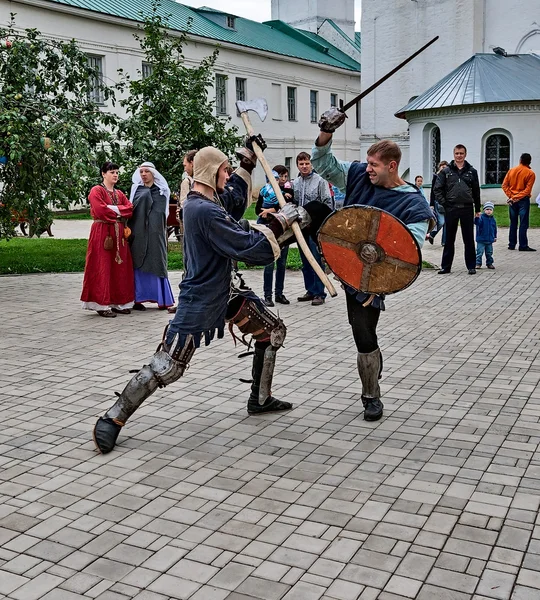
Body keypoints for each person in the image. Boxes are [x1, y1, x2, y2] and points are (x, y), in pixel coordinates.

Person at [93, 139, 302, 454]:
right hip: (202, 295)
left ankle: (260, 399)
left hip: (225, 288)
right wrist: (281, 223)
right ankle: (113, 418)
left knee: (272, 331)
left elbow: (234, 208)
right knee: (168, 366)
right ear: (210, 170)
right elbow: (248, 246)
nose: (227, 174)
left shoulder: (205, 200)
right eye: (224, 169)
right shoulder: (203, 209)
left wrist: (248, 163)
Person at [308, 108, 433, 422]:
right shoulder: (358, 174)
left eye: (375, 165)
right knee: (358, 330)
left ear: (392, 166)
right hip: (348, 265)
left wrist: (373, 285)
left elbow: (408, 254)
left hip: (376, 276)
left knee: (364, 333)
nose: (369, 170)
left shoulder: (413, 204)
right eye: (368, 163)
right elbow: (324, 164)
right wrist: (326, 131)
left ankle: (370, 396)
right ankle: (372, 372)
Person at [81, 162, 134, 318]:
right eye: (112, 172)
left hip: (119, 234)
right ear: (103, 174)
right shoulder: (96, 190)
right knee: (102, 266)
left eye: (117, 172)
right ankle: (101, 303)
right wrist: (118, 212)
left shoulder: (119, 193)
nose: (115, 175)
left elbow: (130, 209)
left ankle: (117, 302)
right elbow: (100, 210)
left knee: (119, 268)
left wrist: (113, 210)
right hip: (103, 232)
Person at [128, 162, 175, 311]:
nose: (143, 174)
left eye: (146, 171)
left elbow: (163, 212)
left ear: (153, 173)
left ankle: (161, 298)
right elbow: (131, 209)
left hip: (156, 233)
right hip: (138, 232)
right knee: (138, 261)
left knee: (158, 261)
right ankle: (138, 298)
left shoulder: (162, 190)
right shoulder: (136, 189)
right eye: (141, 172)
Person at [293, 151, 334, 306]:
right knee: (305, 259)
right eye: (301, 164)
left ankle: (319, 292)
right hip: (301, 226)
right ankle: (310, 290)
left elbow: (327, 203)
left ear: (312, 164)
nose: (304, 166)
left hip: (315, 226)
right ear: (297, 165)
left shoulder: (320, 181)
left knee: (316, 258)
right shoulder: (295, 183)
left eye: (307, 163)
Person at [434, 145, 481, 275]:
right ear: (453, 154)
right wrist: (445, 203)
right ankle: (446, 266)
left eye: (461, 153)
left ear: (465, 154)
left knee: (469, 238)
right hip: (451, 208)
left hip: (466, 208)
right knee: (449, 239)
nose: (459, 156)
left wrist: (477, 208)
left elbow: (476, 191)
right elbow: (437, 189)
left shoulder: (472, 171)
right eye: (457, 153)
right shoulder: (446, 171)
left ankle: (471, 266)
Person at [255, 165, 295, 306]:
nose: (282, 179)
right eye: (279, 177)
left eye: (285, 176)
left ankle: (279, 294)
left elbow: (288, 206)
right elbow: (257, 209)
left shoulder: (288, 190)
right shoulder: (265, 190)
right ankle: (267, 296)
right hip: (268, 229)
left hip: (283, 231)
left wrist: (271, 209)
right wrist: (269, 210)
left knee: (282, 263)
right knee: (269, 263)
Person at [502, 153, 536, 251]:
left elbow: (504, 185)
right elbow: (527, 190)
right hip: (523, 200)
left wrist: (511, 196)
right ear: (529, 161)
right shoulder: (530, 173)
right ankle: (523, 245)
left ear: (520, 160)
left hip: (512, 200)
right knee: (523, 223)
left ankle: (512, 244)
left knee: (513, 222)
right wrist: (517, 197)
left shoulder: (511, 171)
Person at [427, 161, 449, 245]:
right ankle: (432, 234)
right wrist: (432, 204)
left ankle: (445, 241)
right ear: (439, 167)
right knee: (441, 222)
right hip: (437, 202)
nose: (443, 167)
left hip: (447, 202)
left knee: (447, 223)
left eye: (445, 166)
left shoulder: (449, 177)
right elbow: (433, 191)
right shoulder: (436, 177)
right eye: (442, 166)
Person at [475, 201, 497, 269]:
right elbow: (477, 223)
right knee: (479, 252)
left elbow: (494, 228)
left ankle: (489, 263)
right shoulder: (481, 218)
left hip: (490, 239)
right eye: (487, 209)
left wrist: (495, 236)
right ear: (484, 210)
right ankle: (478, 263)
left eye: (490, 210)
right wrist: (477, 217)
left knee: (489, 252)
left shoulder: (493, 219)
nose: (489, 211)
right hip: (481, 239)